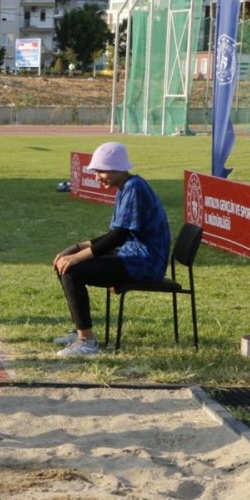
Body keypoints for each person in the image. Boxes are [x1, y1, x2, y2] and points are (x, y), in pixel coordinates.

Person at [52, 142, 170, 357]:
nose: (97, 177)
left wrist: (78, 257)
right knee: (64, 264)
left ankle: (87, 343)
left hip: (144, 264)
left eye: (100, 171)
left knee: (71, 270)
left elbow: (118, 237)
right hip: (132, 257)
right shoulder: (127, 187)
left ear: (117, 168)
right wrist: (76, 248)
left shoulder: (134, 188)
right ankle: (80, 332)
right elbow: (115, 234)